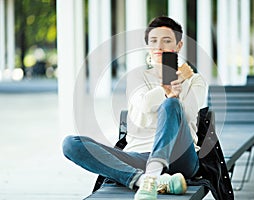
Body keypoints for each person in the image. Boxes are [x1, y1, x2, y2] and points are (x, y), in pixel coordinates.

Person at [62, 16, 208, 200]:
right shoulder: (137, 76)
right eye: (153, 41)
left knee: (172, 104)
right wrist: (165, 87)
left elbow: (187, 116)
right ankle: (147, 180)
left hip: (180, 157)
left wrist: (177, 88)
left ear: (178, 46)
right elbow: (144, 105)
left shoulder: (195, 80)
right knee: (71, 144)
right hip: (140, 157)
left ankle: (153, 175)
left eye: (166, 40)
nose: (159, 46)